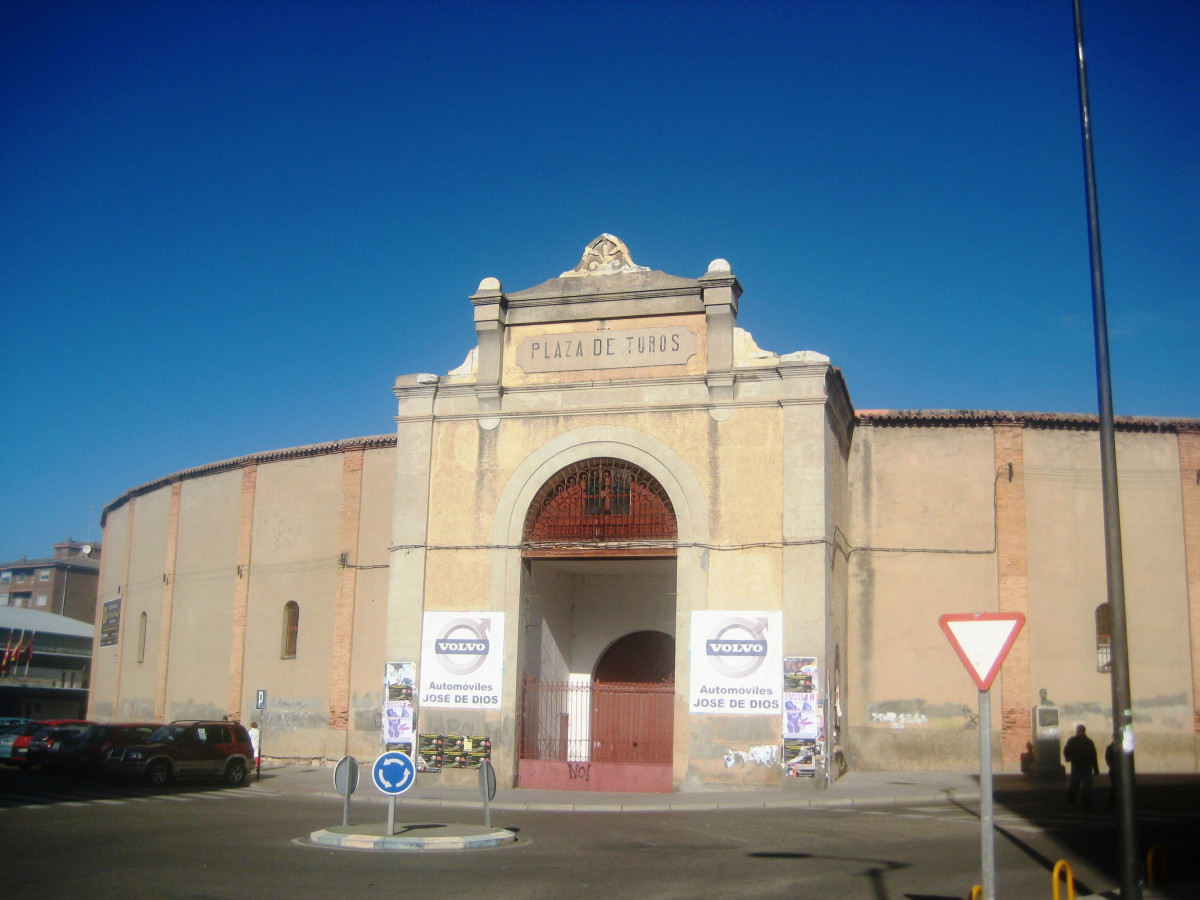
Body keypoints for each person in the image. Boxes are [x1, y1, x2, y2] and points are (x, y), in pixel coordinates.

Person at [1063, 724, 1099, 810]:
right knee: (1080, 787)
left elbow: (1093, 756)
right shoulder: (1087, 742)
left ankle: (1077, 803)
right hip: (1080, 766)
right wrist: (1095, 768)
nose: (1078, 732)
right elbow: (1093, 756)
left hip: (1081, 766)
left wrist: (1095, 768)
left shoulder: (1075, 741)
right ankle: (1075, 803)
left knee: (1082, 787)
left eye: (1079, 730)